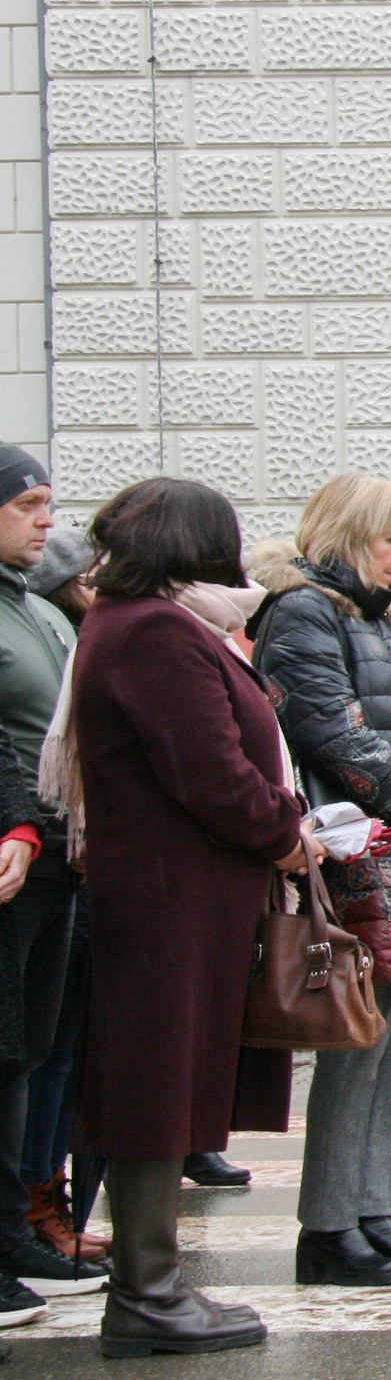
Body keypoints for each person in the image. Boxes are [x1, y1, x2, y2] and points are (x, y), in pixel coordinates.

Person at [71, 480, 311, 1355]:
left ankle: (154, 1283)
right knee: (154, 1085)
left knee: (164, 1082)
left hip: (175, 891)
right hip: (169, 896)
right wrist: (285, 834)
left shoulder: (141, 623)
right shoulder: (155, 631)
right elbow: (207, 766)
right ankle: (146, 1289)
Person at [252, 474, 391, 1287]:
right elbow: (331, 733)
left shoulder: (383, 616)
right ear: (352, 534)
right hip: (360, 857)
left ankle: (372, 1207)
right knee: (356, 1046)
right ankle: (328, 1224)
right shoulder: (304, 611)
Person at [0, 448, 101, 1299]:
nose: (47, 521)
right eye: (29, 503)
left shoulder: (36, 610)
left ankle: (17, 1226)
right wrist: (21, 822)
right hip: (16, 855)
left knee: (33, 1052)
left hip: (55, 859)